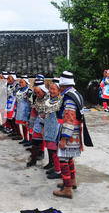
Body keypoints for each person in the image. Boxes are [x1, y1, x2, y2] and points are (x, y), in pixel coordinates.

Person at [53, 71, 85, 199]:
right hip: (75, 130)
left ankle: (67, 189)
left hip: (69, 132)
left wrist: (64, 138)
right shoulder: (75, 94)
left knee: (63, 159)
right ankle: (72, 181)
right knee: (69, 157)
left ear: (63, 85)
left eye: (60, 85)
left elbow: (69, 117)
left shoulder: (69, 97)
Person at [43, 78, 63, 179]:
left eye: (54, 89)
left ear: (59, 90)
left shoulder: (61, 101)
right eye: (50, 89)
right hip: (48, 127)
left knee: (55, 151)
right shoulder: (48, 100)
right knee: (50, 149)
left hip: (56, 128)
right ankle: (54, 166)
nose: (51, 91)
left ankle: (59, 171)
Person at [27, 79, 49, 168]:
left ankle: (51, 162)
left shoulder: (49, 99)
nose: (37, 94)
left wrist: (44, 124)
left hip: (47, 122)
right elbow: (33, 111)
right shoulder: (35, 97)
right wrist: (30, 123)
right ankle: (33, 159)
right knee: (35, 140)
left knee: (50, 145)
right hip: (38, 120)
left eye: (39, 92)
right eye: (35, 93)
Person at [13, 75, 32, 141]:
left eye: (22, 82)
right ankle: (25, 138)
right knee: (22, 125)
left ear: (26, 83)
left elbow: (30, 103)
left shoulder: (28, 91)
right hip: (20, 110)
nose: (20, 84)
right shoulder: (19, 91)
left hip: (26, 111)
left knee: (27, 126)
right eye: (20, 82)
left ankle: (29, 139)